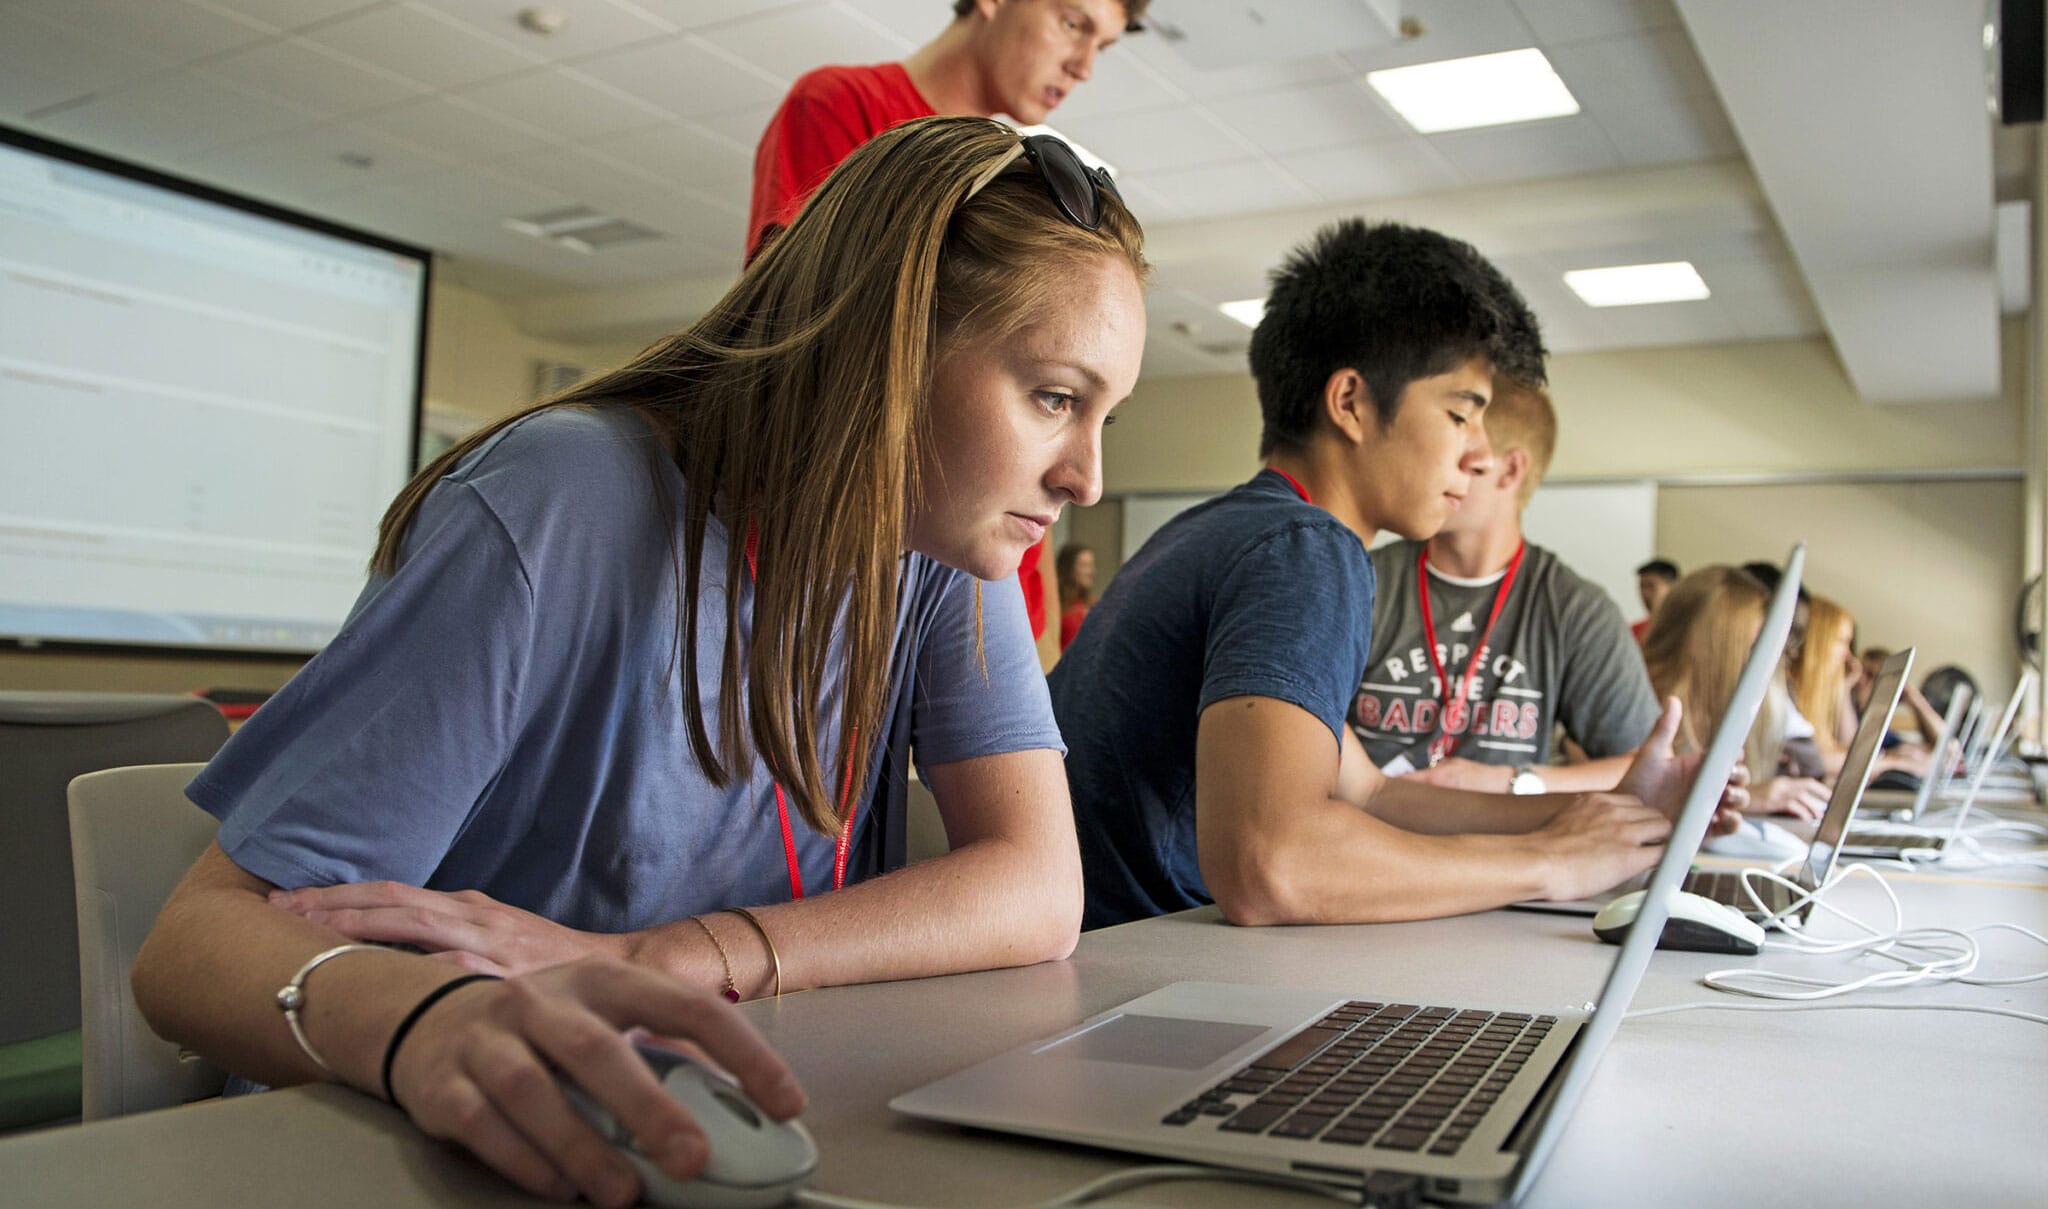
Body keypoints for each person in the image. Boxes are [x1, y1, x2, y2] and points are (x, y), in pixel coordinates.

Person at [132, 118, 1147, 1208]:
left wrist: (652, 959)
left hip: (698, 1105)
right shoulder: (560, 498)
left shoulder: (942, 545)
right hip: (414, 1134)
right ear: (887, 345)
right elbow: (191, 949)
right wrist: (425, 1021)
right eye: (1053, 397)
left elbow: (1037, 889)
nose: (1086, 477)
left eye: (1104, 414)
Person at [1051, 219, 1736, 931]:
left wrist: (1621, 809)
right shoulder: (1305, 549)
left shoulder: (1233, 529)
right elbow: (1273, 864)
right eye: (1460, 414)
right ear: (1350, 402)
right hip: (1133, 977)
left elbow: (1372, 794)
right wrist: (1550, 859)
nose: (1476, 453)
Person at [747, 0, 1148, 670]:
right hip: (875, 599)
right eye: (1073, 24)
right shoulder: (845, 107)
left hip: (1007, 596)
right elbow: (808, 366)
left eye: (1101, 46)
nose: (1082, 66)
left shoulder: (1023, 181)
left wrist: (1033, 623)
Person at [1354, 377, 1660, 795]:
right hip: (1368, 840)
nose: (1433, 471)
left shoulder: (1573, 607)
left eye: (1462, 458)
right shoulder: (1362, 580)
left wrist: (1514, 781)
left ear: (1511, 469)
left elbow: (1643, 766)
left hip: (1502, 852)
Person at [1641, 566, 1828, 819]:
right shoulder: (1641, 706)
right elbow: (1644, 799)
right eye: (1751, 647)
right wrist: (1746, 798)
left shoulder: (1711, 708)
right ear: (1713, 645)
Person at [1056, 541, 1096, 649]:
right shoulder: (1056, 604)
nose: (1090, 572)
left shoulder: (1093, 603)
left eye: (1091, 565)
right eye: (1084, 565)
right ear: (1068, 568)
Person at [1632, 558, 1678, 641]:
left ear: (1673, 587)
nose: (1645, 593)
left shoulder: (1687, 628)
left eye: (1651, 586)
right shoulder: (1633, 632)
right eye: (1642, 586)